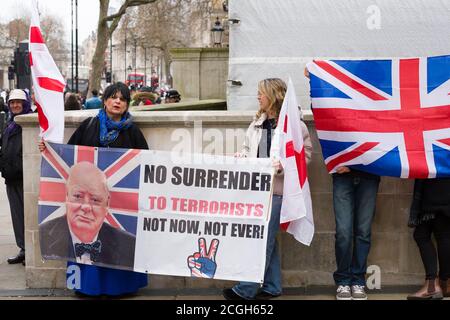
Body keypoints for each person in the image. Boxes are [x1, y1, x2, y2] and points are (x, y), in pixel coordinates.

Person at [39, 82, 149, 296]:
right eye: (113, 97)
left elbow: (146, 161)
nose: (118, 101)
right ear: (105, 100)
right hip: (88, 203)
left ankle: (120, 288)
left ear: (127, 105)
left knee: (117, 242)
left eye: (123, 99)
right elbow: (68, 153)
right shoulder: (89, 125)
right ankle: (87, 286)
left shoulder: (133, 132)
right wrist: (48, 149)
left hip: (118, 205)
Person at [222, 78, 312, 300]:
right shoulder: (256, 124)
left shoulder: (294, 125)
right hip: (256, 191)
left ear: (273, 96)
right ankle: (272, 286)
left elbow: (305, 156)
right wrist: (241, 156)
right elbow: (247, 149)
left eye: (261, 93)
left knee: (261, 239)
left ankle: (246, 289)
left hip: (278, 192)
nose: (258, 96)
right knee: (265, 238)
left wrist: (283, 166)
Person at [304, 67, 379, 300]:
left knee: (363, 232)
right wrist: (315, 79)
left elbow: (385, 135)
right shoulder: (340, 102)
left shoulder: (375, 106)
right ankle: (343, 280)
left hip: (369, 175)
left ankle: (358, 280)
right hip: (342, 176)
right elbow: (321, 109)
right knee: (345, 232)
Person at [39, 162, 137, 269]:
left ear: (107, 204)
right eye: (77, 196)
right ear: (66, 196)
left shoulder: (129, 244)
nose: (86, 207)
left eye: (95, 199)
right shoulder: (43, 233)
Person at [0, 89, 33, 265]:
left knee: (29, 216)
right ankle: (24, 249)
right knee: (17, 216)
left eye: (19, 102)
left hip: (25, 177)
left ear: (25, 103)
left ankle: (32, 250)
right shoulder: (10, 123)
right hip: (10, 177)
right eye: (12, 102)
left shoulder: (31, 122)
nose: (15, 105)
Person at [406, 178, 450, 300]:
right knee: (443, 235)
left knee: (423, 235)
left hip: (435, 188)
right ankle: (445, 283)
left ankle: (432, 286)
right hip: (442, 188)